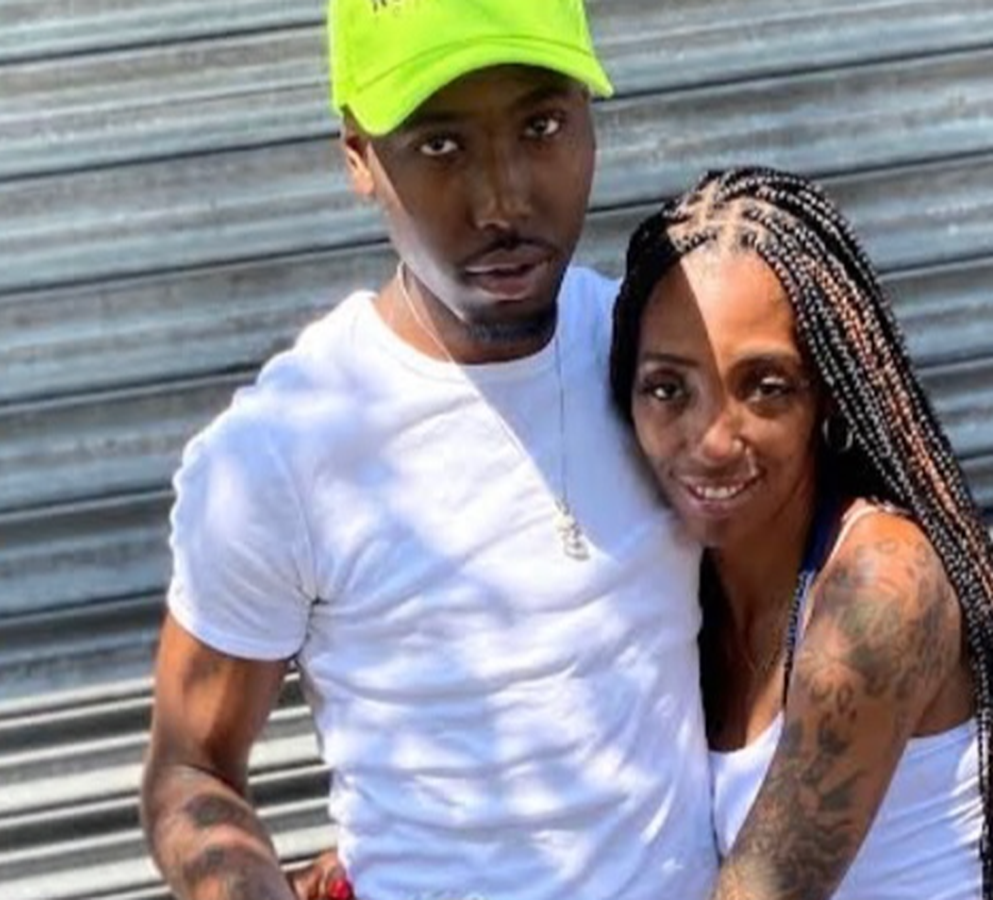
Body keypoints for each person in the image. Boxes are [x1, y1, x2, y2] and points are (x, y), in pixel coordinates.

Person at [139, 1, 719, 899]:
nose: (503, 201)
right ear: (358, 154)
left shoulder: (669, 366)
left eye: (541, 126)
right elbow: (191, 768)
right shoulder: (280, 456)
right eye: (441, 145)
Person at [609, 165, 990, 900]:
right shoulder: (684, 587)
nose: (712, 440)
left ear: (827, 398)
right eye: (667, 389)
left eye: (765, 387)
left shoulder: (880, 588)